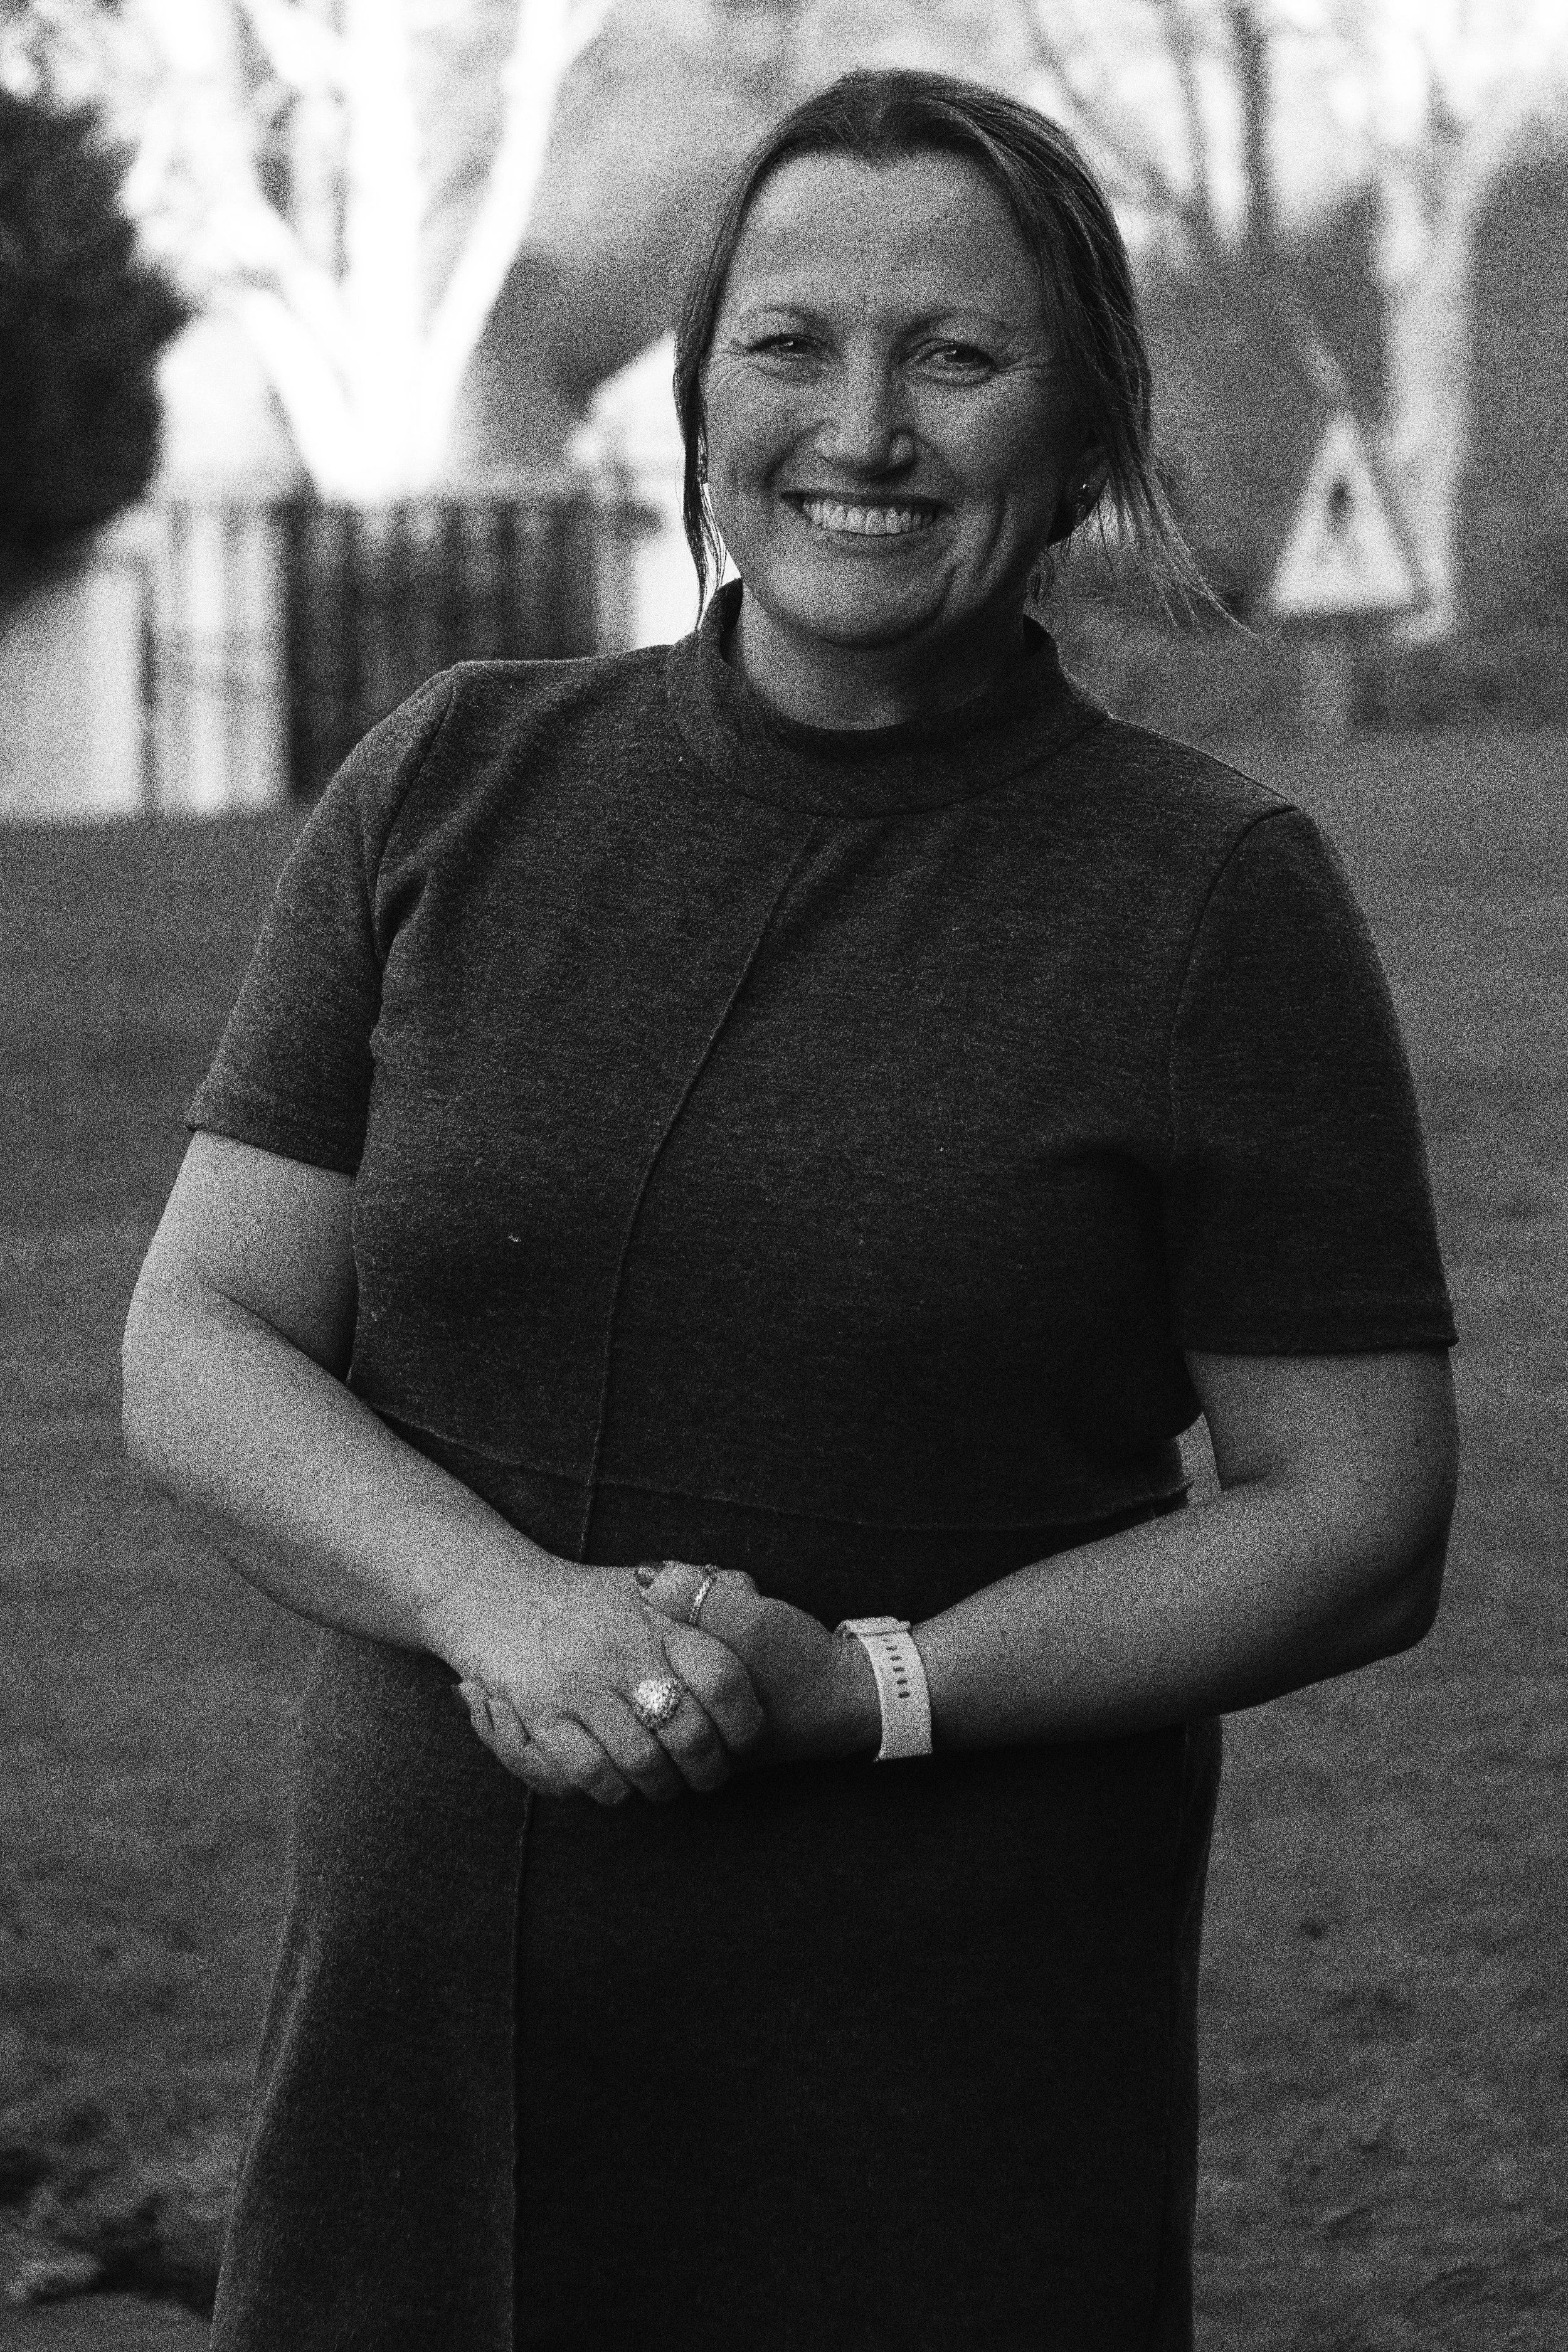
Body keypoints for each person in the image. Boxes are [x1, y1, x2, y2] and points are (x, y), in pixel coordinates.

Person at [121, 66, 1458, 2352]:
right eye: (788, 344)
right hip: (427, 2046)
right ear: (696, 385)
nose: (864, 426)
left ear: (1077, 422)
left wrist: (868, 1688)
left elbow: (1356, 1509)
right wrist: (498, 1611)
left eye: (957, 355)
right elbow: (202, 1336)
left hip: (936, 2072)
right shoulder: (451, 783)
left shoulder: (1207, 894)